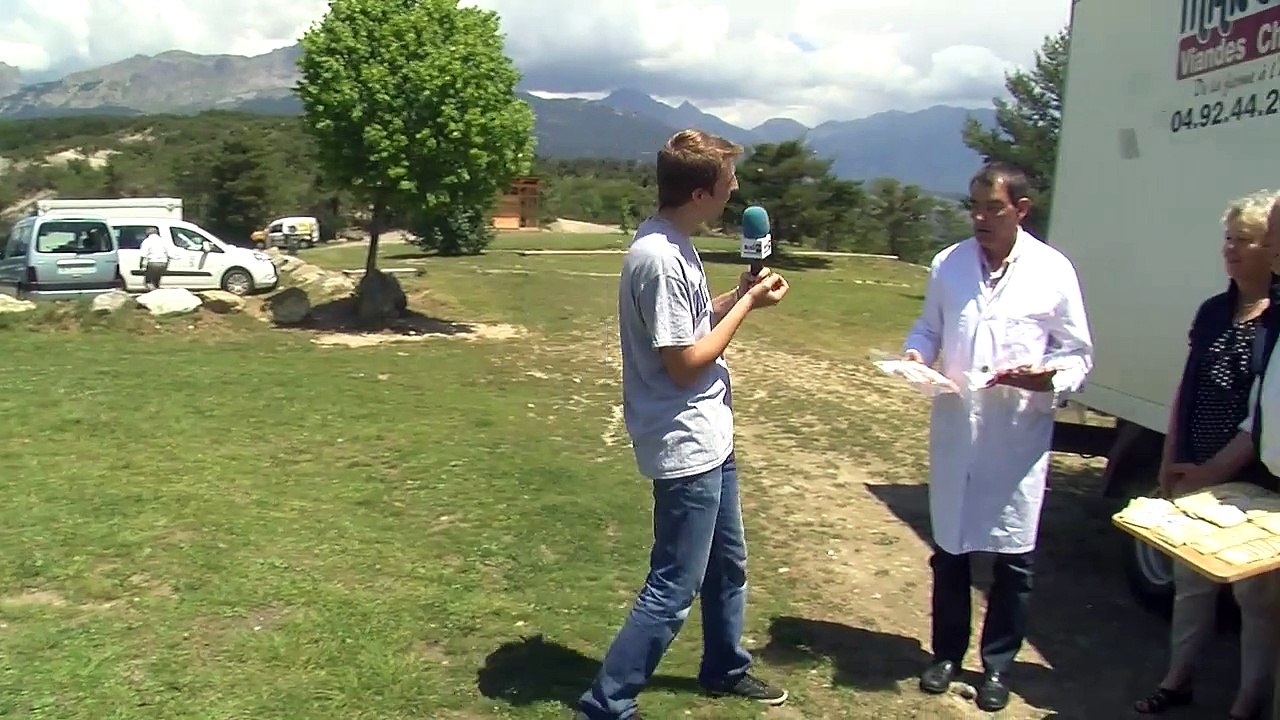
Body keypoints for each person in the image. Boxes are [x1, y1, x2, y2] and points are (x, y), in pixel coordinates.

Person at [575, 128, 791, 720]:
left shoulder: (672, 242)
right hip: (685, 441)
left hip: (710, 434)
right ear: (700, 193)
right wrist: (749, 308)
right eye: (728, 185)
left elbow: (690, 327)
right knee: (673, 585)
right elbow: (684, 363)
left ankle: (725, 668)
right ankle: (607, 703)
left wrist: (734, 294)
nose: (735, 194)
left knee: (728, 564)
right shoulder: (661, 258)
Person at [901, 161, 1094, 713]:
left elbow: (1077, 353)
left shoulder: (1053, 271)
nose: (981, 218)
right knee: (951, 549)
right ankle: (945, 653)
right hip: (959, 426)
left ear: (1021, 210)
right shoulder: (950, 265)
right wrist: (918, 352)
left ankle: (999, 666)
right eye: (975, 206)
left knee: (1013, 559)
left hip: (1015, 435)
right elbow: (930, 326)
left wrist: (1047, 378)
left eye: (994, 208)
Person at [138, 226, 169, 291]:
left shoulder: (147, 241)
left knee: (148, 282)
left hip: (153, 263)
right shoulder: (163, 241)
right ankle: (157, 292)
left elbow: (143, 254)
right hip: (163, 263)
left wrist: (141, 265)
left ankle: (154, 292)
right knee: (156, 281)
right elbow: (169, 253)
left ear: (148, 233)